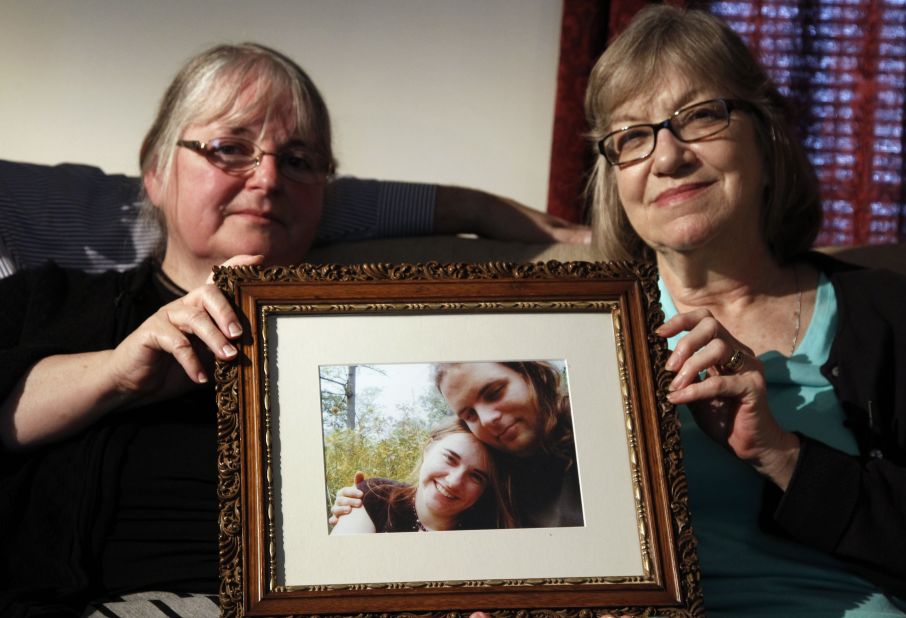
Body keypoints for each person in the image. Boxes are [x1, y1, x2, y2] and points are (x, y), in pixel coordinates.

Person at [0, 42, 588, 615]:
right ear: (155, 170)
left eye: (300, 161)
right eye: (231, 148)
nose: (267, 179)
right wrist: (118, 372)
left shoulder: (380, 325)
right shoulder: (50, 299)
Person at [584, 5, 906, 615]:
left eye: (700, 116)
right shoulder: (577, 331)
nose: (667, 158)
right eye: (632, 136)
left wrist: (782, 453)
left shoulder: (896, 314)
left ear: (766, 134)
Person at [333, 361, 582, 528]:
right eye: (470, 415)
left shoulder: (598, 425)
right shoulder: (495, 483)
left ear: (530, 373)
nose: (487, 419)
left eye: (495, 392)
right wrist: (358, 503)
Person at [331, 417, 515, 534]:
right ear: (428, 449)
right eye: (450, 458)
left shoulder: (490, 532)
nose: (453, 481)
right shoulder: (375, 495)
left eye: (476, 477)